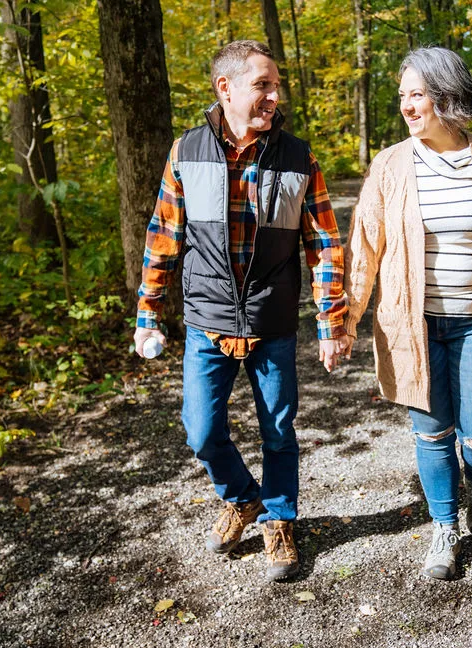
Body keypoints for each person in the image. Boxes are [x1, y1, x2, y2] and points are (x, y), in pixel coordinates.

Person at [133, 40, 349, 581]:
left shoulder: (299, 157)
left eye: (276, 85)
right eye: (263, 85)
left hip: (271, 319)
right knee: (201, 431)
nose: (275, 95)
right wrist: (148, 312)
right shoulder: (186, 152)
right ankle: (243, 496)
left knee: (278, 428)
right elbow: (163, 237)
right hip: (207, 319)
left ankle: (279, 517)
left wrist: (330, 320)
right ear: (225, 89)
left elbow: (324, 243)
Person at [343, 47, 472, 580]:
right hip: (415, 324)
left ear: (447, 96)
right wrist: (344, 317)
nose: (407, 107)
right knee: (431, 431)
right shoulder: (391, 164)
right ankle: (444, 526)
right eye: (403, 97)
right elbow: (364, 243)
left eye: (418, 94)